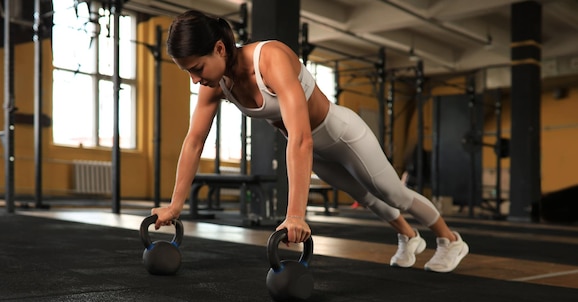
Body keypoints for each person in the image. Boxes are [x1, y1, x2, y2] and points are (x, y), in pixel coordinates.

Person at [151, 10, 469, 273]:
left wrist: (295, 214)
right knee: (367, 197)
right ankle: (409, 236)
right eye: (188, 73)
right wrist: (175, 205)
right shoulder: (216, 84)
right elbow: (194, 141)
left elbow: (300, 137)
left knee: (392, 193)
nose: (195, 80)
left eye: (197, 68)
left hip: (342, 134)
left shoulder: (271, 59)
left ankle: (450, 239)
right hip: (315, 149)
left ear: (220, 48)